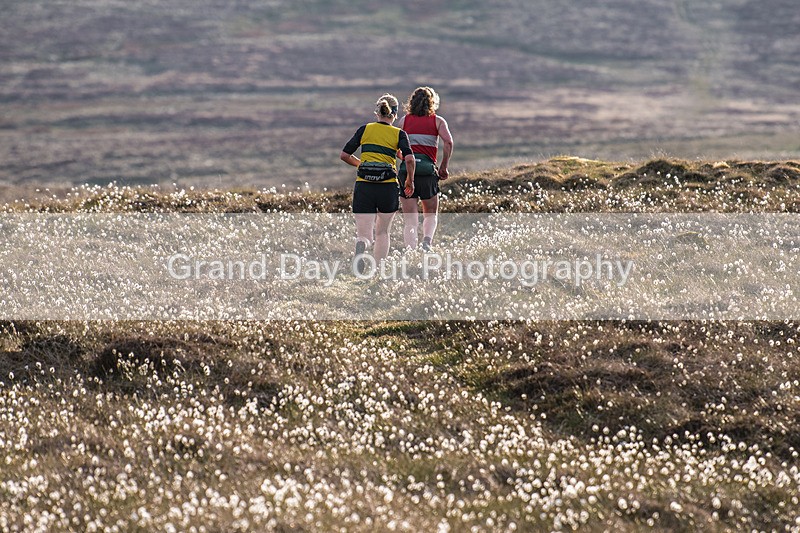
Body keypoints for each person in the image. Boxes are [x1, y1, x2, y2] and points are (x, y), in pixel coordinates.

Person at [340, 94, 416, 272]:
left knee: (364, 235)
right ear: (395, 114)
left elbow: (344, 155)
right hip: (387, 187)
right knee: (382, 233)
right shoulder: (399, 134)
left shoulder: (365, 129)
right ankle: (378, 270)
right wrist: (410, 180)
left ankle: (362, 245)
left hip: (364, 186)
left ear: (377, 112)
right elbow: (410, 159)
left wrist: (362, 164)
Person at [396, 86, 454, 251]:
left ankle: (411, 251)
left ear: (411, 102)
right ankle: (427, 242)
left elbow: (396, 148)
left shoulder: (403, 121)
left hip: (407, 173)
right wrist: (443, 166)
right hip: (427, 172)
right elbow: (448, 142)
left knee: (410, 220)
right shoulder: (438, 121)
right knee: (430, 214)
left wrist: (404, 158)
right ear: (432, 102)